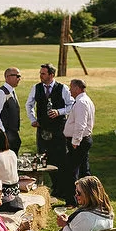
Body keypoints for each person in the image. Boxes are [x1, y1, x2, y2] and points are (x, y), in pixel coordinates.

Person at [26, 63, 74, 199]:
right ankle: (54, 187)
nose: (40, 76)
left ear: (51, 75)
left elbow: (72, 105)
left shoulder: (62, 88)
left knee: (60, 158)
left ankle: (62, 188)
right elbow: (29, 104)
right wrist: (32, 119)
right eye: (40, 73)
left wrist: (59, 112)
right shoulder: (36, 88)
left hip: (59, 130)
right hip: (43, 130)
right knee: (45, 158)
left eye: (43, 73)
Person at [61, 79, 95, 185]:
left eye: (71, 87)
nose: (69, 90)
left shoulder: (81, 102)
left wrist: (75, 141)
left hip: (79, 142)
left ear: (77, 88)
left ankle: (72, 194)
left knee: (71, 170)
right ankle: (88, 193)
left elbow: (80, 124)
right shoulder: (85, 100)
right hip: (83, 140)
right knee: (84, 170)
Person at [0, 67, 24, 152]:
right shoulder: (1, 93)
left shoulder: (12, 91)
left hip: (13, 134)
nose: (19, 79)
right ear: (8, 77)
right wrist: (3, 134)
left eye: (19, 76)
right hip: (6, 135)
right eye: (17, 76)